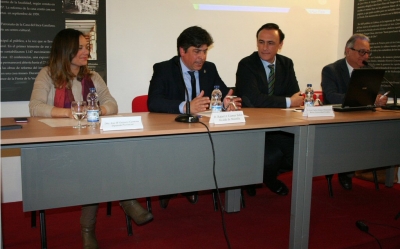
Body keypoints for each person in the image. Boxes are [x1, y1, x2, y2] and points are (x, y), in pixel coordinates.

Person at [29, 28, 153, 249]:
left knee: (95, 161)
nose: (86, 51)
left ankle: (88, 229)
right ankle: (126, 200)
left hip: (89, 148)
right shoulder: (47, 74)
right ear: (65, 50)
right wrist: (69, 112)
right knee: (96, 161)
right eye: (80, 48)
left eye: (87, 47)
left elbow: (112, 104)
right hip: (57, 150)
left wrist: (97, 110)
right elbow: (36, 107)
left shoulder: (93, 76)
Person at [148, 26, 241, 208]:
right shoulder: (164, 69)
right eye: (197, 51)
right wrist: (186, 106)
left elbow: (222, 92)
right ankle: (173, 186)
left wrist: (227, 101)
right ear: (182, 51)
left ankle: (192, 183)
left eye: (205, 51)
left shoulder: (210, 68)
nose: (202, 57)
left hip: (203, 130)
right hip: (173, 132)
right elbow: (154, 102)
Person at [235, 23, 303, 196]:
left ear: (280, 45)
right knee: (271, 157)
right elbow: (253, 99)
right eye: (261, 42)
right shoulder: (247, 64)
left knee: (301, 153)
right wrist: (288, 101)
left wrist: (289, 100)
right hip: (254, 127)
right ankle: (266, 179)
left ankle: (263, 176)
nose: (264, 48)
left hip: (280, 124)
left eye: (270, 43)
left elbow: (294, 93)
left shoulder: (286, 63)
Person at [321, 33, 388, 190]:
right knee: (352, 136)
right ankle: (345, 171)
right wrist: (364, 97)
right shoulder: (331, 70)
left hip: (364, 119)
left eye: (368, 53)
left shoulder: (368, 70)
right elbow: (331, 96)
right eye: (361, 52)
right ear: (348, 50)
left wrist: (380, 98)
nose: (365, 56)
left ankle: (360, 165)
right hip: (338, 121)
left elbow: (381, 91)